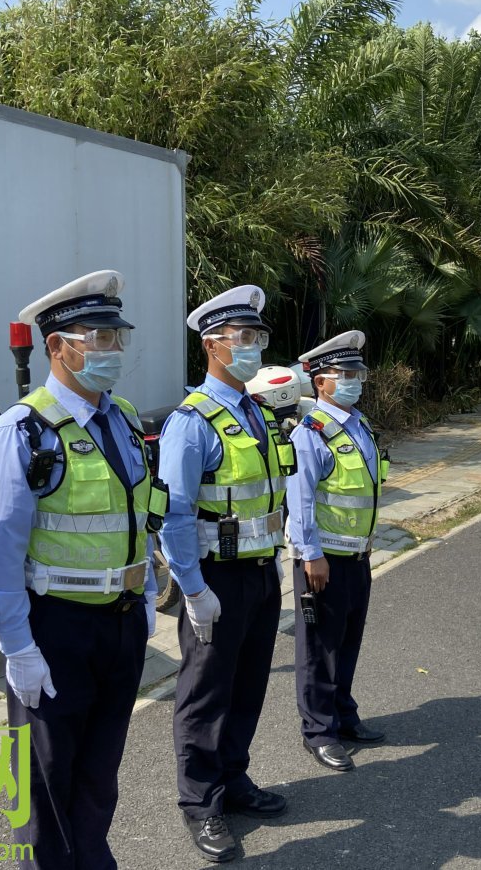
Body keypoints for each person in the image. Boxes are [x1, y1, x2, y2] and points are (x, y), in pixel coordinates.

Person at [0, 271, 164, 870]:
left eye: (116, 338)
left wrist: (148, 587)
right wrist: (16, 645)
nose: (111, 351)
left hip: (122, 619)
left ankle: (91, 857)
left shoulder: (124, 418)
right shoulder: (22, 431)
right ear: (58, 347)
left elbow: (140, 510)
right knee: (46, 776)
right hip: (56, 627)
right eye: (98, 339)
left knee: (100, 766)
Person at [159, 285, 295, 862]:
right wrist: (192, 591)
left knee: (248, 684)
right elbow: (175, 516)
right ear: (214, 345)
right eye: (245, 339)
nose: (255, 349)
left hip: (262, 574)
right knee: (205, 693)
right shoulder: (191, 423)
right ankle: (201, 802)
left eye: (259, 338)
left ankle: (233, 778)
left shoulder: (257, 414)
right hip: (216, 579)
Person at [287, 331, 390, 772]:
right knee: (319, 649)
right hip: (322, 560)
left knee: (347, 642)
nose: (355, 381)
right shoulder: (311, 434)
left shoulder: (360, 424)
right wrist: (310, 554)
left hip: (358, 556)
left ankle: (344, 716)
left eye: (358, 373)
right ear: (320, 383)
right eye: (345, 374)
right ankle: (318, 730)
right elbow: (301, 499)